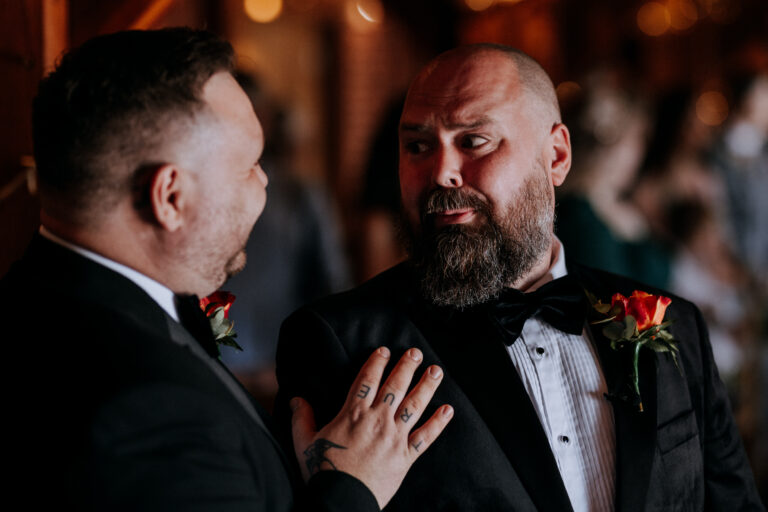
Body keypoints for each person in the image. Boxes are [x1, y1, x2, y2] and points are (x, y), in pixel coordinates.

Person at [275, 44, 764, 511]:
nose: (442, 171)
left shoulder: (673, 323)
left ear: (556, 156)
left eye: (473, 141)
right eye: (418, 145)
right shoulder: (340, 342)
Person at [2, 28, 453, 511]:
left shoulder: (33, 301)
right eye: (250, 165)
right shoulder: (152, 413)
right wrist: (350, 488)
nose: (263, 184)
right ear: (170, 197)